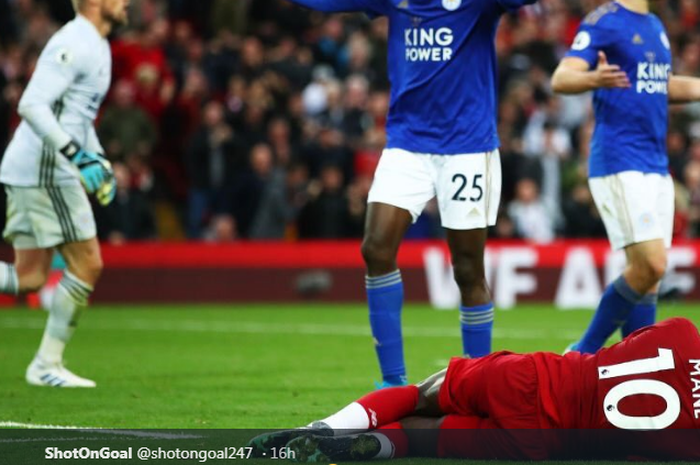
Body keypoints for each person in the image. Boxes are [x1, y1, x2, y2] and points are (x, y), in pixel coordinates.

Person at [285, 0, 537, 387]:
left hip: (467, 148)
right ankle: (393, 381)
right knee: (376, 247)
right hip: (407, 145)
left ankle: (478, 384)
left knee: (468, 267)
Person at [250, 317, 700, 461]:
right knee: (414, 439)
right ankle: (356, 449)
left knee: (420, 393)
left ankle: (324, 428)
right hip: (541, 441)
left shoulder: (683, 334)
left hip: (534, 378)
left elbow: (623, 349)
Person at [551, 0, 700, 353]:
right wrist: (592, 78)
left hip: (654, 164)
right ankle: (582, 351)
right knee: (651, 263)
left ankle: (637, 363)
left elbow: (660, 85)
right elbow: (561, 77)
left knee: (648, 277)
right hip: (620, 159)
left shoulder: (654, 26)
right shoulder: (605, 21)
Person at [0, 0, 129, 387]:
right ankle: (45, 364)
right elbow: (31, 104)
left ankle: (45, 365)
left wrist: (99, 161)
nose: (127, 2)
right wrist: (76, 156)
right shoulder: (73, 42)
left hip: (44, 166)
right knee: (88, 264)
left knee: (30, 278)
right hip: (46, 168)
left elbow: (79, 118)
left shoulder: (98, 44)